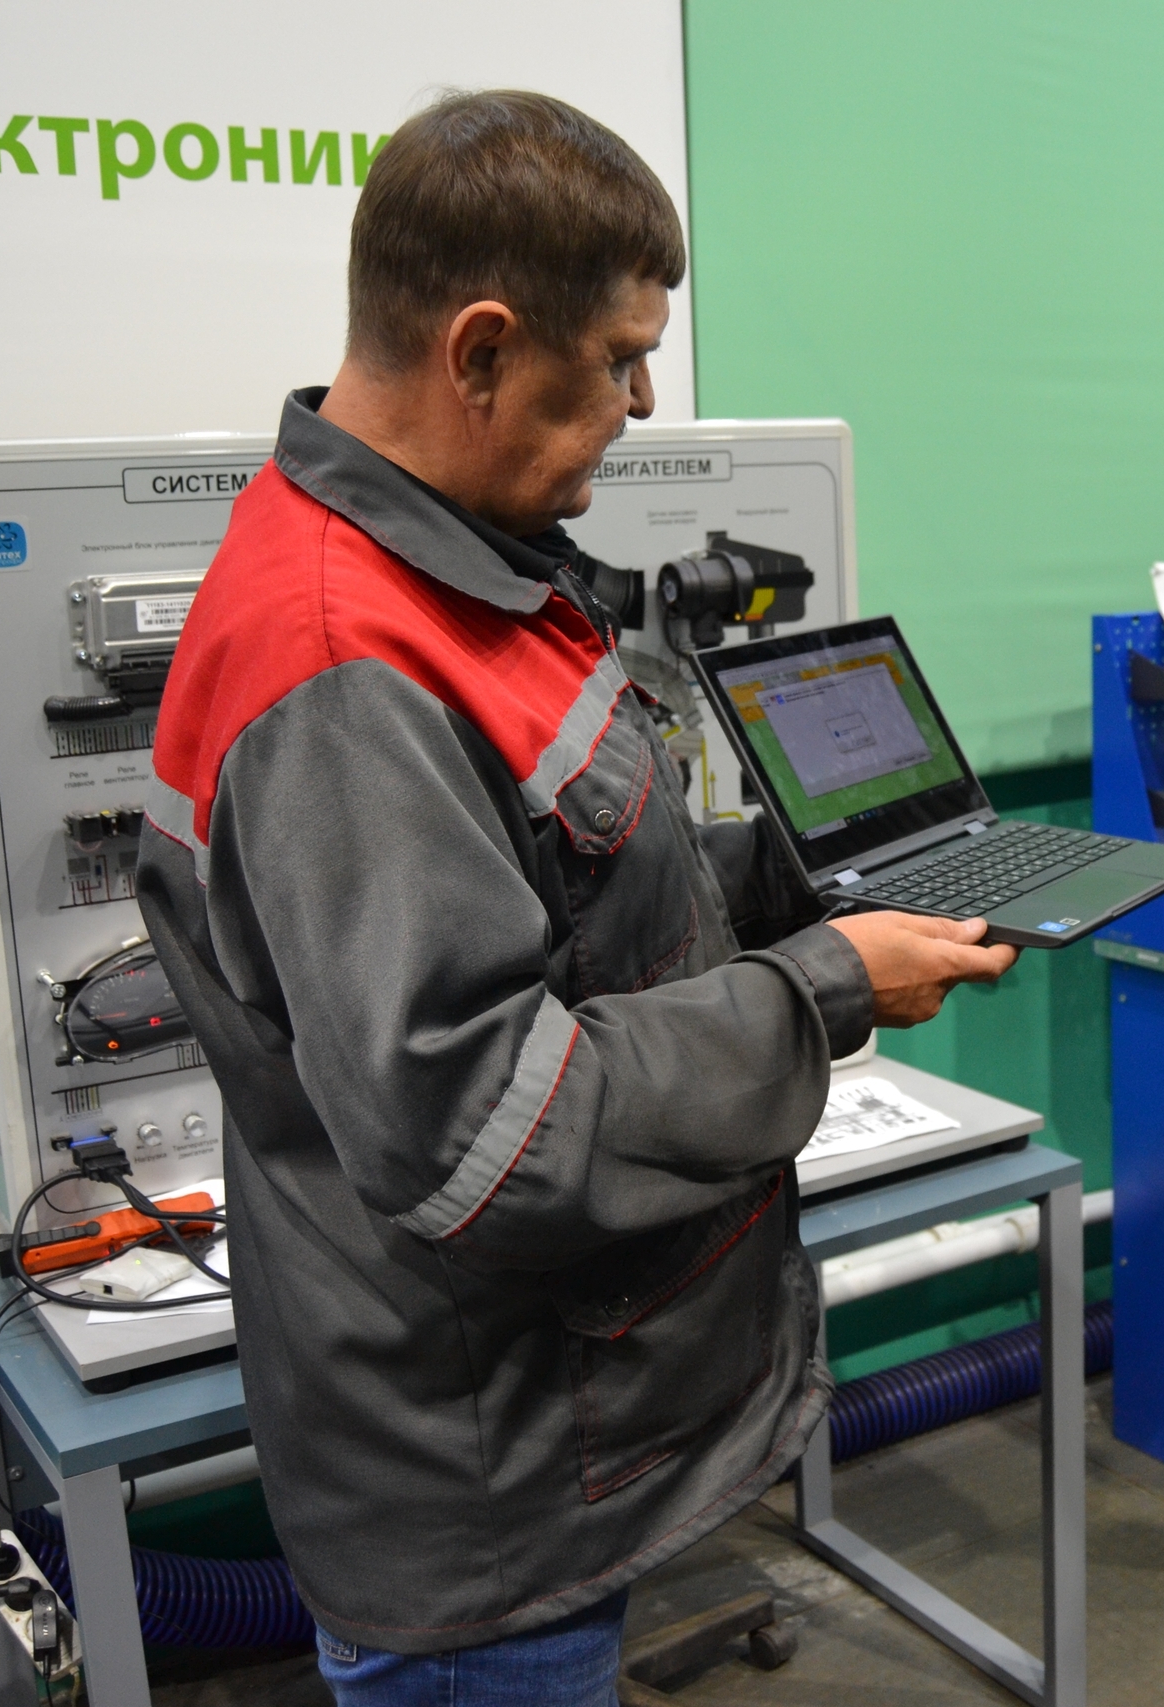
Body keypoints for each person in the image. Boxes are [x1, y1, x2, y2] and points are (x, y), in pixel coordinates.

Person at [134, 89, 1015, 1704]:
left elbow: (573, 891)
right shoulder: (341, 666)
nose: (642, 400)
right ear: (480, 349)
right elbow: (490, 1130)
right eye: (617, 359)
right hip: (487, 1492)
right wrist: (826, 984)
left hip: (553, 1433)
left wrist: (804, 888)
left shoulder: (459, 574)